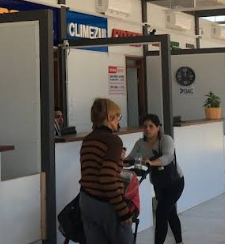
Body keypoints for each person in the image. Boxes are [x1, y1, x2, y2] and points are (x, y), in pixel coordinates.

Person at [79, 98, 133, 244]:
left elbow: (92, 169)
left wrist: (118, 158)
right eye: (118, 116)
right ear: (109, 117)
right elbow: (107, 178)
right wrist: (123, 211)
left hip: (86, 199)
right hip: (105, 202)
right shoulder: (113, 141)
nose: (118, 121)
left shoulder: (87, 139)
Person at [126, 114, 185, 244]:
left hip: (175, 183)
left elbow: (168, 157)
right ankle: (180, 242)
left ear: (158, 127)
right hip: (159, 184)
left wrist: (152, 162)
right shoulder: (140, 143)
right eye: (145, 126)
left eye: (151, 126)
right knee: (170, 213)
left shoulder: (165, 139)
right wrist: (118, 162)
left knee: (161, 214)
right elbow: (131, 158)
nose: (147, 129)